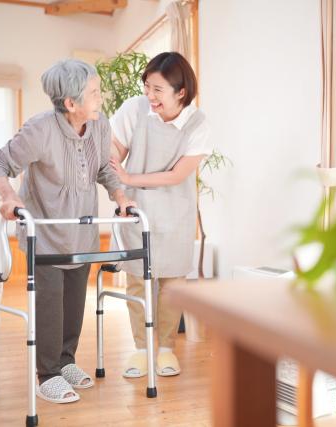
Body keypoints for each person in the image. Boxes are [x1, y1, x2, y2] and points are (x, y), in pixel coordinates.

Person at [0, 59, 135, 404]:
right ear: (71, 103)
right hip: (47, 233)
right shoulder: (40, 129)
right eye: (94, 93)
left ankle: (65, 361)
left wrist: (121, 195)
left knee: (73, 305)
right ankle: (48, 374)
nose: (101, 98)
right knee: (50, 307)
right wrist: (9, 196)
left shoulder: (100, 126)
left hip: (80, 231)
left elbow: (104, 169)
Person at [109, 52, 211, 378]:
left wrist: (129, 178)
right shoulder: (134, 109)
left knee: (171, 283)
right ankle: (141, 350)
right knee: (138, 281)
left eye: (158, 90)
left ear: (180, 92)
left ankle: (166, 349)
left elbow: (177, 175)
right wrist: (120, 187)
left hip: (175, 210)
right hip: (136, 209)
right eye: (147, 87)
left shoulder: (198, 122)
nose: (149, 96)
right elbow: (113, 152)